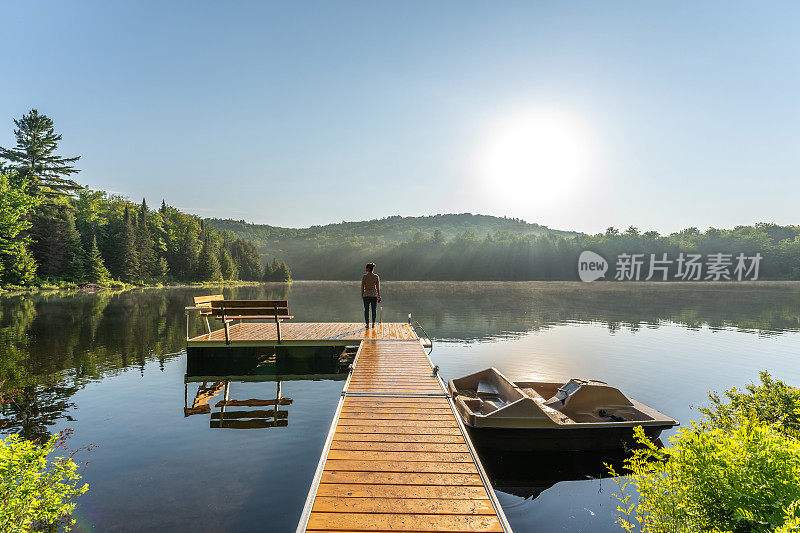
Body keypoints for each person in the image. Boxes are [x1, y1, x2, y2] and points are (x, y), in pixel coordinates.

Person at [361, 262, 380, 328]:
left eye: (366, 268)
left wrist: (362, 295)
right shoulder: (376, 276)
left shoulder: (364, 276)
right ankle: (373, 323)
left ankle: (367, 324)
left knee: (366, 309)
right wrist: (379, 296)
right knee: (374, 309)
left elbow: (362, 287)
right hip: (374, 295)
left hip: (366, 295)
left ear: (368, 269)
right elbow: (377, 287)